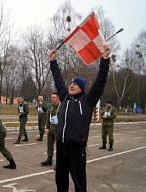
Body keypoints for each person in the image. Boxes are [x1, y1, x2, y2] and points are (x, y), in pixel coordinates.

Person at [49, 44, 111, 192]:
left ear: (82, 88)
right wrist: (53, 62)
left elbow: (100, 82)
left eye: (75, 84)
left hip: (76, 147)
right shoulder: (65, 97)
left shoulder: (88, 100)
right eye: (71, 83)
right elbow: (58, 80)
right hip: (62, 145)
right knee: (60, 180)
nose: (71, 86)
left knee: (79, 182)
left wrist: (105, 59)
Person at [41, 93, 61, 167]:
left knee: (58, 147)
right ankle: (49, 159)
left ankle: (59, 163)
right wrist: (47, 127)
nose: (52, 98)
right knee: (49, 145)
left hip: (58, 129)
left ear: (58, 98)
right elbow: (48, 117)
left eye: (53, 97)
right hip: (51, 129)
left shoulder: (61, 106)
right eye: (51, 97)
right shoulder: (51, 106)